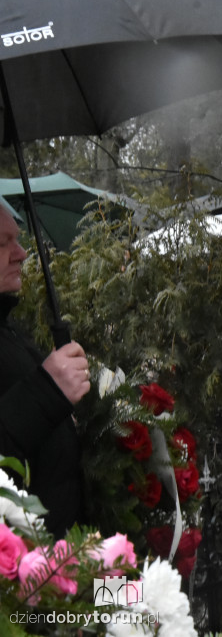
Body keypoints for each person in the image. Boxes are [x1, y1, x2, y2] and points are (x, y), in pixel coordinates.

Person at [0, 206, 89, 537]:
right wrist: (48, 391)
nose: (21, 254)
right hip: (38, 578)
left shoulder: (10, 330)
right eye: (3, 243)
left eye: (18, 241)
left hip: (84, 552)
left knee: (137, 589)